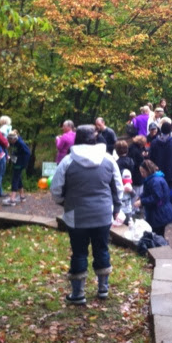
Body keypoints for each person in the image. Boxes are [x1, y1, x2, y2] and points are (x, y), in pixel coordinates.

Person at [51, 125, 123, 305]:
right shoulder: (108, 160)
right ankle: (103, 288)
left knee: (79, 252)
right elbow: (118, 187)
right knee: (102, 248)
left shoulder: (67, 161)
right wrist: (116, 207)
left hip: (76, 215)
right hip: (103, 213)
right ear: (94, 138)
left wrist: (65, 203)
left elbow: (56, 189)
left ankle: (78, 293)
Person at [135, 160, 172, 238]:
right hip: (158, 212)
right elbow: (149, 192)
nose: (141, 174)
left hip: (158, 213)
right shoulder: (153, 179)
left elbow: (156, 197)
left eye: (143, 172)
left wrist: (142, 201)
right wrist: (141, 196)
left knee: (157, 235)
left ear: (148, 171)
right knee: (157, 234)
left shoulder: (155, 181)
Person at [150, 122, 172, 202]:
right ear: (171, 130)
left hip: (157, 174)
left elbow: (151, 160)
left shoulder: (154, 143)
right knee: (169, 199)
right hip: (170, 175)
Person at [3, 130, 31, 206]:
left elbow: (28, 153)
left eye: (10, 140)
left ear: (14, 139)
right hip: (16, 163)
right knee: (18, 179)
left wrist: (22, 163)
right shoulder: (14, 143)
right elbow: (15, 152)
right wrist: (11, 158)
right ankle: (22, 196)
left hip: (19, 163)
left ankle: (12, 199)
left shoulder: (21, 143)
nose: (9, 141)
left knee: (15, 179)